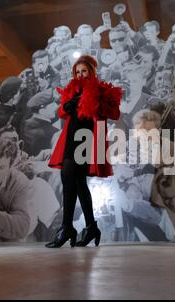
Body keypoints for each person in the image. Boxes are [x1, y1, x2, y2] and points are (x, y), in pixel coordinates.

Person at [47, 55, 122, 248]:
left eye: (84, 71)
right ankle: (90, 228)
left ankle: (67, 228)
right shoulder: (72, 90)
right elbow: (62, 113)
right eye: (77, 72)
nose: (80, 75)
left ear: (91, 72)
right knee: (78, 183)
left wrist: (97, 102)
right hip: (72, 138)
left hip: (87, 139)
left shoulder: (100, 90)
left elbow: (114, 113)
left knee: (69, 176)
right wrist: (67, 105)